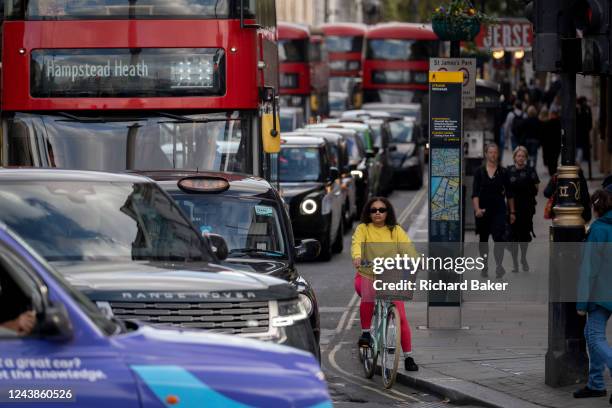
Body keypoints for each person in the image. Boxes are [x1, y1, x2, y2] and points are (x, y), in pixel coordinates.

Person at [351, 197, 419, 372]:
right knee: (368, 294)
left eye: (382, 210)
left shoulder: (395, 230)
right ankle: (366, 333)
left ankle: (409, 357)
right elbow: (356, 244)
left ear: (388, 212)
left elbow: (408, 248)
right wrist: (357, 257)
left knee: (401, 317)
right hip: (367, 275)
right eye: (374, 210)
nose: (378, 213)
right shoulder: (363, 229)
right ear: (369, 213)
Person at [574, 188, 612, 401]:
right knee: (591, 333)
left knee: (595, 336)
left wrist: (581, 303)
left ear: (596, 208)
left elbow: (589, 269)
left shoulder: (598, 229)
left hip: (601, 292)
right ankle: (596, 383)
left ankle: (598, 380)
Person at [472, 143, 516, 278]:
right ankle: (484, 266)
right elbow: (475, 194)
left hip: (499, 210)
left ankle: (499, 266)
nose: (493, 155)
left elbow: (510, 194)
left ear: (498, 154)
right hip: (483, 211)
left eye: (495, 152)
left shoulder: (503, 172)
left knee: (499, 239)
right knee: (483, 240)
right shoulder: (479, 172)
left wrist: (512, 212)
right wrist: (477, 209)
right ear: (486, 154)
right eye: (490, 152)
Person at [507, 146, 539, 273]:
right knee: (513, 236)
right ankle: (515, 263)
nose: (520, 158)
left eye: (523, 156)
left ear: (526, 158)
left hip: (526, 207)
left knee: (524, 235)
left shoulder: (530, 171)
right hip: (512, 207)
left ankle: (523, 258)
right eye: (518, 156)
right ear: (514, 157)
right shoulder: (509, 171)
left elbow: (536, 188)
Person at [541, 109, 562, 176]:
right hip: (556, 146)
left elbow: (543, 137)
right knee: (555, 161)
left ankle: (552, 174)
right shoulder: (559, 124)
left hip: (548, 147)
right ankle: (554, 173)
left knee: (550, 162)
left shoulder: (547, 124)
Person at [576, 96, 593, 165]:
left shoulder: (587, 108)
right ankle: (579, 159)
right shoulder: (579, 109)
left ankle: (581, 159)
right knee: (580, 146)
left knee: (582, 146)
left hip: (582, 131)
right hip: (581, 131)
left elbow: (589, 120)